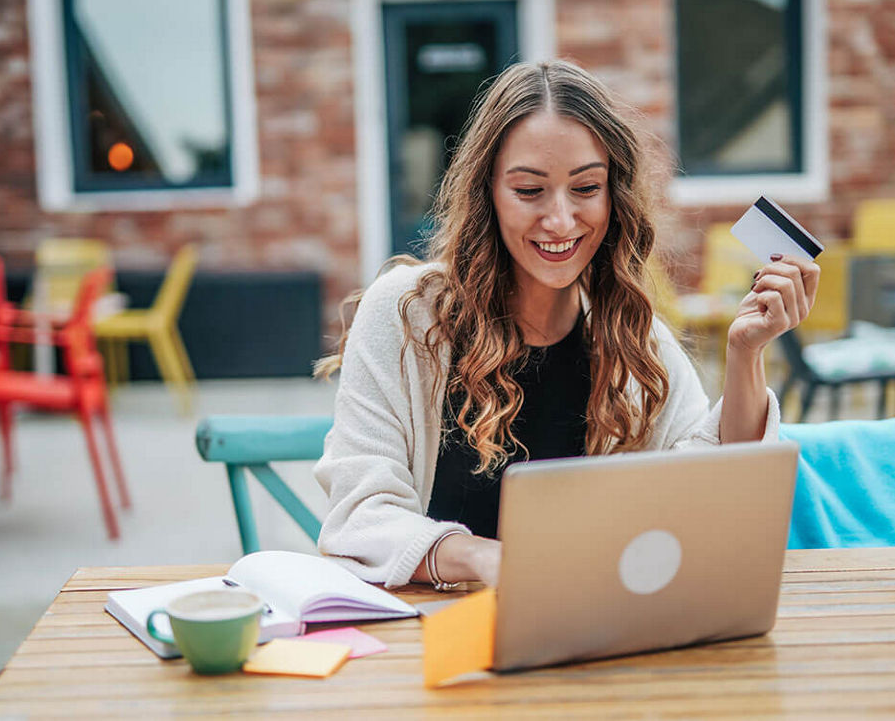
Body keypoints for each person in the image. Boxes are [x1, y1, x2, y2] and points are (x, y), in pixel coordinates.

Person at [313, 60, 819, 590]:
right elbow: (358, 516)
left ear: (613, 195)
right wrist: (486, 559)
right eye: (529, 191)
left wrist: (746, 355)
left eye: (585, 188)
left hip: (582, 632)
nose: (560, 220)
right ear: (487, 193)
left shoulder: (631, 338)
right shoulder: (406, 316)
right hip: (427, 637)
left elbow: (710, 496)